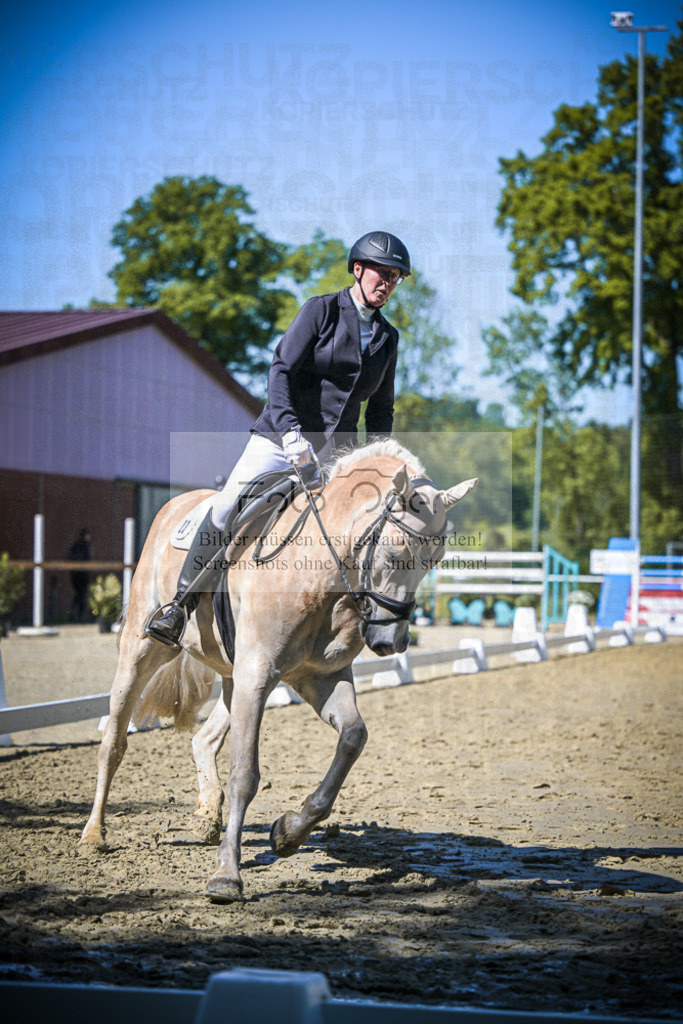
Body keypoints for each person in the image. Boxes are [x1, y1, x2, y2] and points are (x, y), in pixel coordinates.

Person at [145, 230, 411, 647]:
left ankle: (352, 620)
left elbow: (381, 410)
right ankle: (178, 605)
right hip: (279, 439)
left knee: (366, 529)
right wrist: (290, 433)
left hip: (336, 457)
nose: (388, 283)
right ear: (358, 269)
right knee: (229, 503)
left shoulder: (387, 338)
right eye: (382, 273)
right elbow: (281, 369)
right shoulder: (320, 311)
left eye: (396, 277)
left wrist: (378, 465)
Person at [68, 527, 92, 622]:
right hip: (81, 574)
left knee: (79, 595)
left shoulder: (77, 545)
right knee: (80, 595)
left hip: (77, 574)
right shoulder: (84, 546)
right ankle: (78, 615)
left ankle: (75, 614)